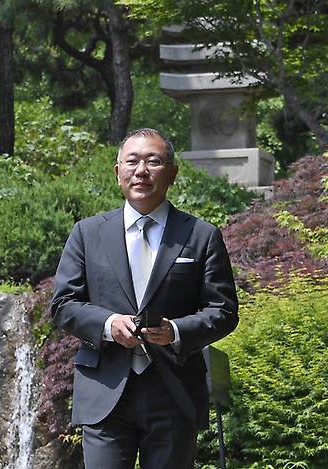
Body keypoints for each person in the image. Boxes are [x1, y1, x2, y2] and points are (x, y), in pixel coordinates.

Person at [50, 128, 238, 469]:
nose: (141, 170)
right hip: (105, 388)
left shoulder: (201, 235)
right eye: (132, 161)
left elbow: (223, 310)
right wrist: (108, 324)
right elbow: (63, 304)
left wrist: (176, 331)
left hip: (174, 390)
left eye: (154, 161)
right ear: (117, 171)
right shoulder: (87, 233)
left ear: (172, 173)